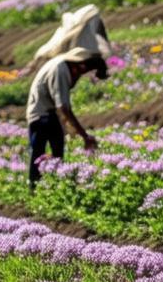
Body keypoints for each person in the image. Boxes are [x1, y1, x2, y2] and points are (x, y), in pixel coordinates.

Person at [26, 47, 108, 190]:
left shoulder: (60, 64)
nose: (79, 75)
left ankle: (49, 186)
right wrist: (84, 135)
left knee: (53, 150)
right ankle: (37, 187)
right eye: (82, 71)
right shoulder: (61, 70)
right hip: (41, 115)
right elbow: (63, 107)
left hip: (44, 113)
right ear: (79, 65)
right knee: (43, 152)